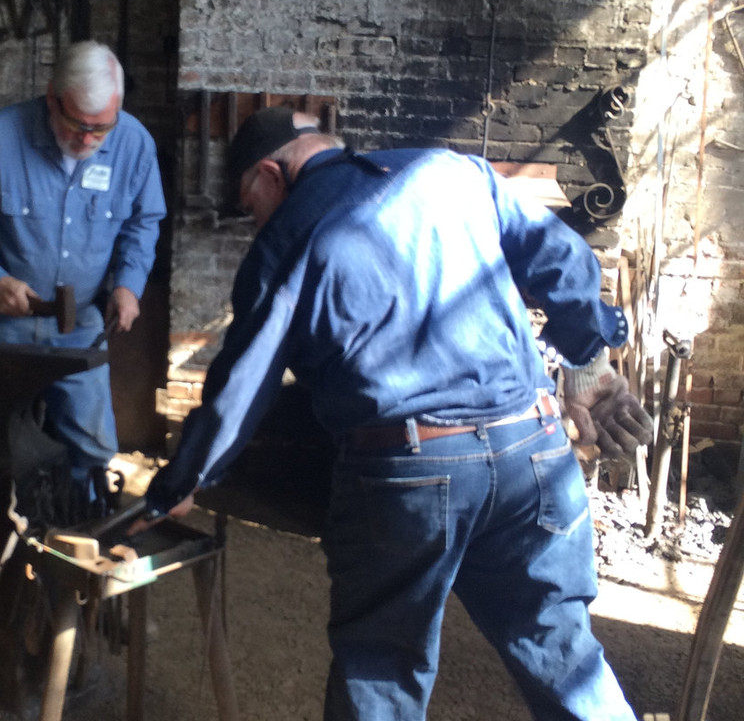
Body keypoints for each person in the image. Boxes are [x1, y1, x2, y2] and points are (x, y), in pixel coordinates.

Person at [137, 107, 654, 720]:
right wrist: (587, 356)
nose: (256, 220)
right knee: (563, 653)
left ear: (272, 174)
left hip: (411, 474)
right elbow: (563, 259)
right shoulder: (453, 172)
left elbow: (242, 387)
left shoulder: (288, 239)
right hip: (534, 447)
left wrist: (184, 480)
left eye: (251, 203)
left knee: (382, 668)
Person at [0, 40, 166, 494]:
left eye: (102, 129)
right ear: (51, 96)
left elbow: (144, 221)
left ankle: (74, 538)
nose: (89, 140)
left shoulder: (133, 143)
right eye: (77, 125)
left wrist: (128, 284)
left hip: (80, 323)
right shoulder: (0, 136)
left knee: (94, 448)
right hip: (4, 320)